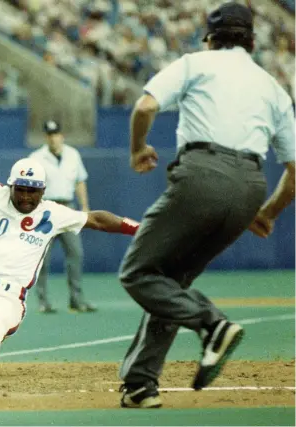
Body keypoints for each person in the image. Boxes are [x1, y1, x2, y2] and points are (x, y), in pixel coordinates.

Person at [116, 2, 295, 409]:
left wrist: (138, 148)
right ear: (251, 40)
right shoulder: (273, 87)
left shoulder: (195, 63)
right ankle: (141, 384)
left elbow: (145, 106)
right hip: (251, 185)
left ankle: (212, 325)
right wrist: (267, 212)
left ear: (210, 38)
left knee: (138, 271)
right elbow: (295, 171)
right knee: (170, 281)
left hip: (202, 174)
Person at [0, 151, 140, 373]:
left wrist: (141, 229)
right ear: (10, 185)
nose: (25, 196)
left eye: (32, 191)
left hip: (7, 298)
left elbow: (97, 219)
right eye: (20, 189)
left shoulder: (52, 213)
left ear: (43, 191)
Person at [29, 120, 95, 314]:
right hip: (45, 209)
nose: (53, 137)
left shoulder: (73, 154)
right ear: (45, 137)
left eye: (56, 133)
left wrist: (84, 207)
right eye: (49, 134)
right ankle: (43, 301)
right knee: (42, 258)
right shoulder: (36, 157)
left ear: (61, 135)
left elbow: (80, 181)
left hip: (67, 208)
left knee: (76, 254)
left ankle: (76, 299)